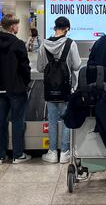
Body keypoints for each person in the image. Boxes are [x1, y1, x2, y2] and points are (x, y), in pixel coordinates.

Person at [0, 13, 31, 165]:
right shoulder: (18, 44)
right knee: (18, 120)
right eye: (17, 25)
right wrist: (25, 82)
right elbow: (25, 67)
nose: (18, 27)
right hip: (16, 88)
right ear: (13, 27)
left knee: (0, 120)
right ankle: (17, 155)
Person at [37, 16, 81, 164]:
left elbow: (39, 68)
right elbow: (76, 66)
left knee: (52, 121)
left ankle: (52, 152)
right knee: (67, 119)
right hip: (66, 88)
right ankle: (65, 152)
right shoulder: (71, 44)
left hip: (50, 89)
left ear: (55, 27)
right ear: (67, 28)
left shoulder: (44, 44)